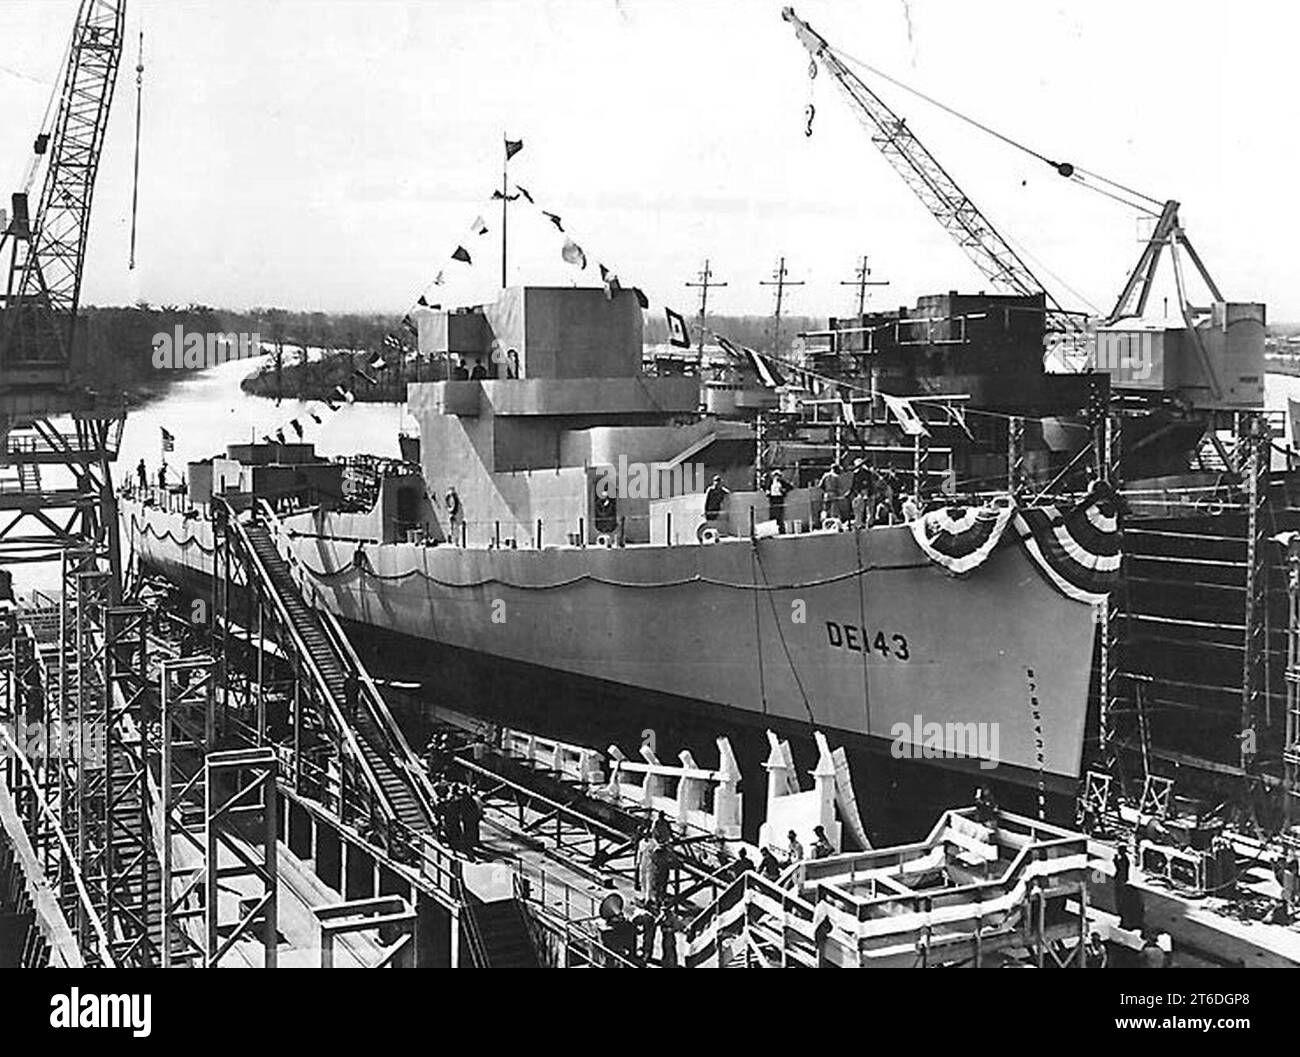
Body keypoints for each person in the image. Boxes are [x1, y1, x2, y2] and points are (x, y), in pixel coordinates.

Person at [815, 463, 841, 527]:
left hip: (826, 494)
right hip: (833, 493)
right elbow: (838, 487)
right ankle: (832, 524)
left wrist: (825, 490)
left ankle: (823, 521)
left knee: (825, 509)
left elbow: (820, 486)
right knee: (833, 509)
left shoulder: (825, 475)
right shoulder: (836, 477)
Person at [461, 787, 483, 859]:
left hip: (469, 818)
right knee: (474, 829)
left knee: (469, 831)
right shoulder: (473, 799)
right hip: (473, 817)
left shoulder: (466, 801)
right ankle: (474, 841)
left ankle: (469, 844)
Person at [767, 468, 791, 533]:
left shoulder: (782, 482)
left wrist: (783, 491)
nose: (776, 477)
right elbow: (767, 489)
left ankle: (781, 530)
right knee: (773, 515)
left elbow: (789, 487)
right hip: (772, 499)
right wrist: (768, 492)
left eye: (778, 475)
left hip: (779, 499)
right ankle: (773, 530)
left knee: (780, 515)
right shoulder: (770, 482)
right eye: (775, 475)